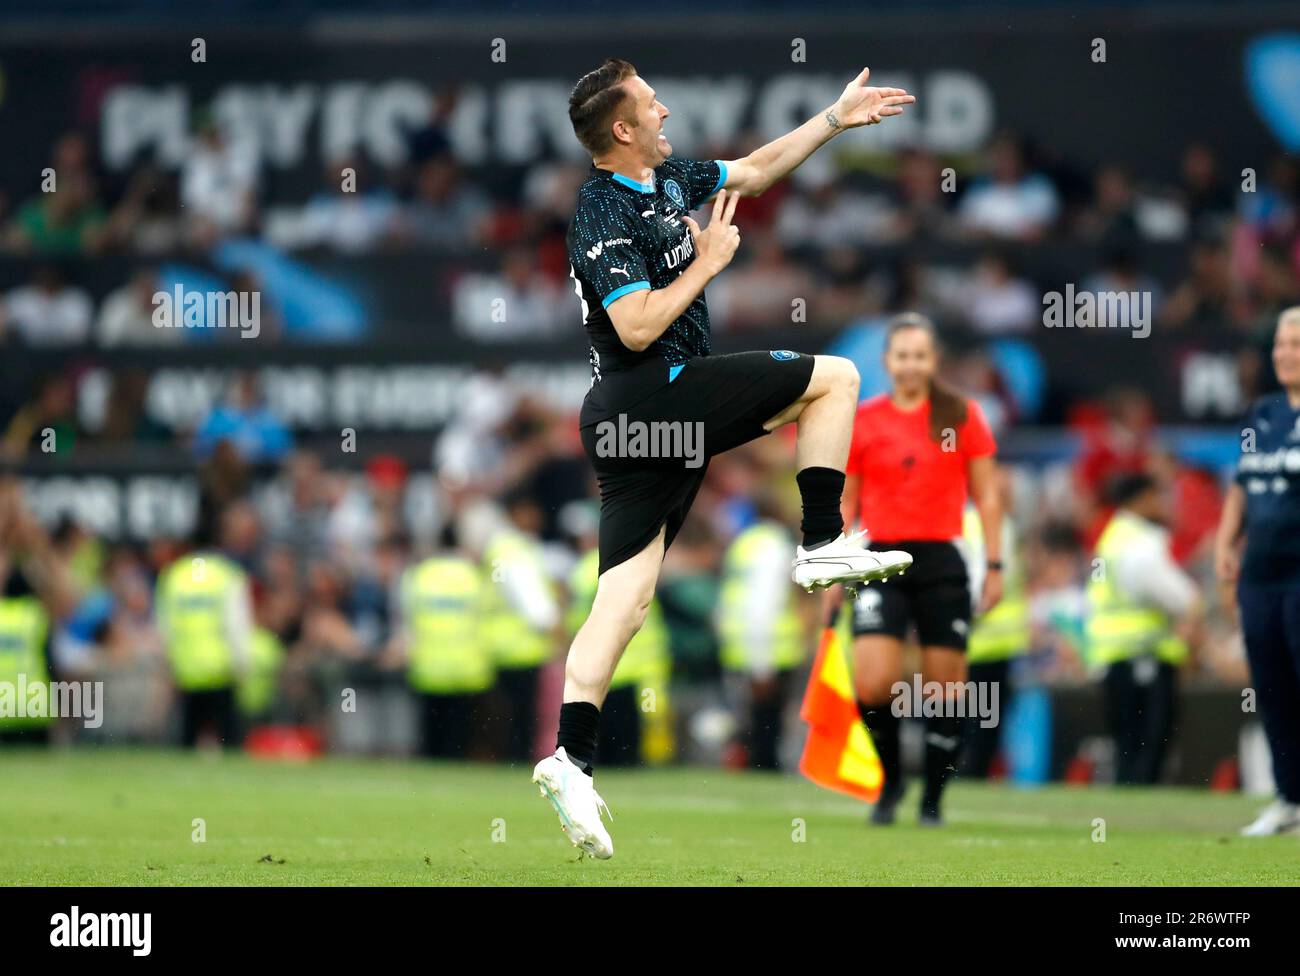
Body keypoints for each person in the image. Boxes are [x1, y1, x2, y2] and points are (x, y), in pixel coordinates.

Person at [532, 59, 917, 858]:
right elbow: (635, 327)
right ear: (622, 129)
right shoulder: (600, 209)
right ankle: (819, 543)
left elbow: (758, 168)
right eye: (649, 101)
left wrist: (835, 120)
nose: (665, 106)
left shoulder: (667, 177)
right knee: (836, 379)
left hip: (640, 421)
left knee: (627, 602)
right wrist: (708, 265)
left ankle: (570, 758)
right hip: (648, 393)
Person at [836, 313, 1003, 826]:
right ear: (887, 362)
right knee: (873, 683)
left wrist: (994, 564)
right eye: (901, 355)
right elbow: (847, 500)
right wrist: (834, 562)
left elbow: (988, 494)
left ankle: (933, 798)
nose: (910, 364)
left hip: (940, 559)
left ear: (934, 361)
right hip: (878, 558)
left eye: (920, 355)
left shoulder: (960, 414)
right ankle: (890, 780)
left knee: (945, 689)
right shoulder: (864, 419)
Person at [1216, 306, 1300, 835]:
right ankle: (1289, 797)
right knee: (1271, 687)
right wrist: (1226, 542)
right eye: (1281, 345)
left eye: (1295, 344)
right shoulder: (1264, 413)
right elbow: (1243, 482)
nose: (1285, 353)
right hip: (1261, 574)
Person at [1086, 473, 1200, 784]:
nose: (1164, 504)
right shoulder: (1140, 543)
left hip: (1113, 653)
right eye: (1157, 497)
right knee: (1149, 746)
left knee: (1126, 743)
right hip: (1143, 653)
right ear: (1141, 500)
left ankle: (1124, 807)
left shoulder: (1114, 536)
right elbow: (1175, 595)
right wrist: (1192, 605)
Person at [717, 496, 812, 769]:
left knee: (748, 715)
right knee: (767, 717)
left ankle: (750, 762)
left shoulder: (742, 544)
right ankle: (764, 765)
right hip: (770, 645)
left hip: (738, 643)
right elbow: (764, 602)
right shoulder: (775, 547)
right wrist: (763, 662)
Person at [155, 517, 254, 749]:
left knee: (188, 742)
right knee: (229, 742)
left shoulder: (174, 576)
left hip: (186, 670)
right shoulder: (227, 575)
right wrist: (242, 663)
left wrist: (168, 665)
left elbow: (165, 628)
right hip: (220, 669)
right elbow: (236, 624)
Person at [394, 530, 493, 759]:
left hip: (429, 666)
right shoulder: (472, 574)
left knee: (431, 736)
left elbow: (406, 617)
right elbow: (485, 615)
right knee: (460, 736)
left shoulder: (419, 575)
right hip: (467, 667)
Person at [481, 493, 561, 762]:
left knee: (507, 716)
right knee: (522, 717)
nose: (537, 517)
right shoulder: (513, 550)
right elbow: (534, 603)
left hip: (500, 647)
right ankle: (516, 764)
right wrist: (557, 632)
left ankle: (508, 761)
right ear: (518, 512)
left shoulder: (500, 547)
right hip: (521, 649)